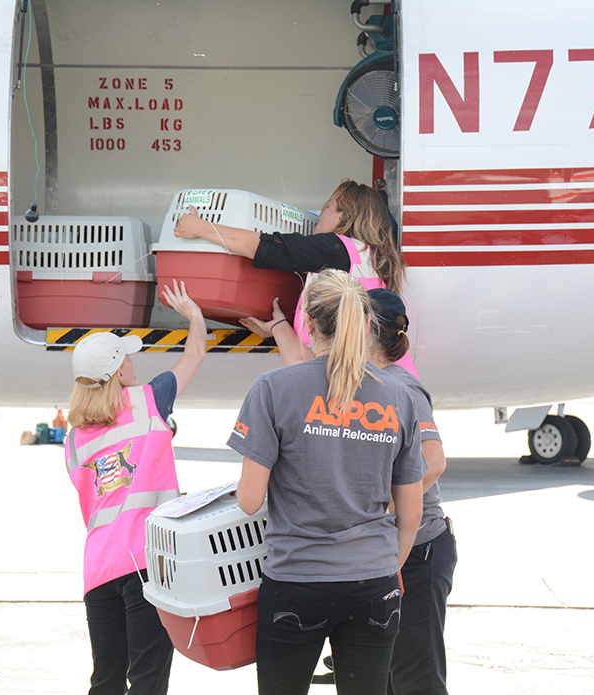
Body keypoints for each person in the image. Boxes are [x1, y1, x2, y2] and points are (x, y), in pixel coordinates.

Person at [227, 269, 425, 695]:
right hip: (374, 582)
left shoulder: (273, 388)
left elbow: (248, 500)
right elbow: (411, 513)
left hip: (298, 580)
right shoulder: (399, 396)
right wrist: (385, 568)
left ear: (309, 324)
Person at [64, 279, 207, 695]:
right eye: (126, 358)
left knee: (106, 681)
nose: (132, 363)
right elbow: (194, 354)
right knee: (147, 680)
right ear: (118, 371)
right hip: (147, 564)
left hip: (98, 570)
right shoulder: (149, 401)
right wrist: (195, 315)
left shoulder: (73, 439)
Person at [173, 179, 413, 372]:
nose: (321, 215)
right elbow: (312, 363)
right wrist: (278, 327)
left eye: (327, 207)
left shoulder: (338, 249)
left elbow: (273, 249)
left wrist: (201, 228)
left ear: (341, 216)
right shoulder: (369, 260)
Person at [364, 288, 456, 695]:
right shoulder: (366, 380)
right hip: (382, 551)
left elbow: (433, 463)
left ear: (365, 328)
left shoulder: (402, 386)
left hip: (418, 552)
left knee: (416, 681)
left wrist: (378, 508)